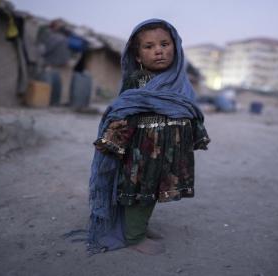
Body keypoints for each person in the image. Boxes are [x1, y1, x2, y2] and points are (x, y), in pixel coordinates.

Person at [87, 19, 210, 255]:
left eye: (165, 44)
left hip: (169, 152)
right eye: (149, 46)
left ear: (176, 47)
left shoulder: (180, 82)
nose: (159, 50)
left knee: (152, 193)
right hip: (143, 153)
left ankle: (138, 227)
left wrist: (195, 135)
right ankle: (134, 237)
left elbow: (189, 111)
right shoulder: (138, 81)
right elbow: (125, 110)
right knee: (140, 193)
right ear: (138, 57)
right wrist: (113, 139)